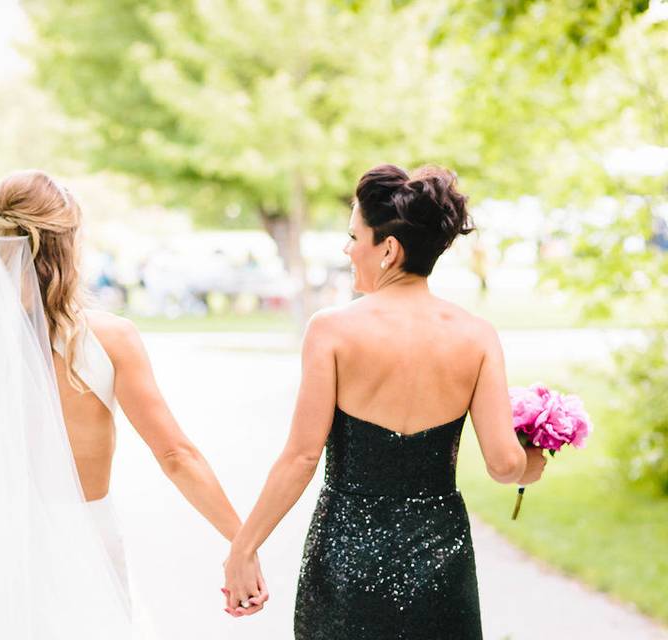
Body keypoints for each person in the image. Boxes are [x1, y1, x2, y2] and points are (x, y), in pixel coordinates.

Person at [0, 170, 245, 638]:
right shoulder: (111, 340)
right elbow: (175, 455)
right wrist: (241, 542)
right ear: (67, 246)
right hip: (88, 544)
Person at [222, 164, 547, 639]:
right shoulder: (477, 337)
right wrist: (533, 462)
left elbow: (302, 456)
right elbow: (503, 464)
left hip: (345, 560)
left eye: (355, 236)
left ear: (389, 249)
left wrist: (243, 549)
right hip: (440, 559)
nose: (347, 248)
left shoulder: (331, 330)